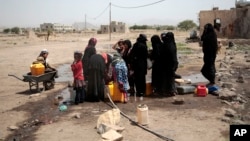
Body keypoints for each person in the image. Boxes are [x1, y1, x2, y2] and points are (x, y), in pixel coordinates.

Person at [129, 34, 148, 98]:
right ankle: (142, 92)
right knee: (142, 78)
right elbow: (146, 56)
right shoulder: (144, 46)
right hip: (142, 64)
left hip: (136, 64)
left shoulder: (135, 45)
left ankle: (138, 91)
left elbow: (131, 54)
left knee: (137, 78)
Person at [160, 32, 178, 96]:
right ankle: (172, 91)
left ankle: (169, 91)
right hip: (173, 63)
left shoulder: (166, 44)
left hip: (168, 63)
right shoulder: (173, 43)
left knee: (168, 78)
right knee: (171, 77)